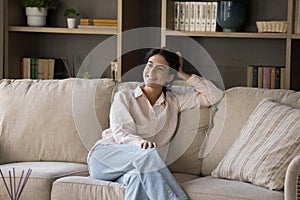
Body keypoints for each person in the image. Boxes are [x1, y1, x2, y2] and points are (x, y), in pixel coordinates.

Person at [88, 48, 223, 200]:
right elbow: (121, 133)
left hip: (140, 166)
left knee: (138, 179)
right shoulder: (124, 97)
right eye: (149, 64)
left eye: (160, 68)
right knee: (149, 154)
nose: (151, 71)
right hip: (105, 157)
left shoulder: (174, 102)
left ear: (169, 77)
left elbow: (214, 95)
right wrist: (141, 144)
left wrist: (182, 73)